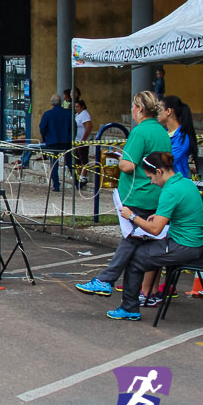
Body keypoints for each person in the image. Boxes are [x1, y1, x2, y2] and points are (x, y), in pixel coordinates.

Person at [78, 151, 203, 321]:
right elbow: (180, 214)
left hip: (183, 246)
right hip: (191, 242)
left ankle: (128, 306)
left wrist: (132, 216)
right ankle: (112, 287)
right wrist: (155, 218)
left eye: (151, 177)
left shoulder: (171, 190)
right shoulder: (185, 183)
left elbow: (155, 230)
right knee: (139, 248)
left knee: (135, 257)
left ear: (159, 171)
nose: (152, 182)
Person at [75, 91, 171, 298]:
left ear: (139, 109)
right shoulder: (163, 132)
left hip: (137, 193)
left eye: (133, 108)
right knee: (139, 243)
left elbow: (127, 165)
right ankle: (133, 294)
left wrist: (120, 158)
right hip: (156, 191)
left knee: (132, 238)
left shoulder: (139, 132)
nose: (132, 112)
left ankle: (107, 280)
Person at [38, 93, 73, 192]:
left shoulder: (47, 114)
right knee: (70, 163)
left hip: (52, 142)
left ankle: (56, 185)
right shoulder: (68, 113)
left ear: (51, 103)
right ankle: (77, 183)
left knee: (54, 164)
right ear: (61, 102)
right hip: (66, 141)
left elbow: (42, 128)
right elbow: (73, 127)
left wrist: (45, 138)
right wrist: (71, 138)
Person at [159, 95, 197, 178]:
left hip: (175, 182)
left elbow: (168, 161)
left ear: (168, 111)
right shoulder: (163, 134)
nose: (156, 113)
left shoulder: (182, 138)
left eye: (159, 109)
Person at [73, 98, 92, 186]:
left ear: (82, 107)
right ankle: (79, 175)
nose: (76, 108)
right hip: (77, 140)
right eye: (75, 107)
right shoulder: (77, 115)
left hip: (83, 141)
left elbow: (88, 127)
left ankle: (83, 176)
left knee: (83, 158)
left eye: (78, 107)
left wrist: (83, 139)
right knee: (77, 158)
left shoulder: (84, 115)